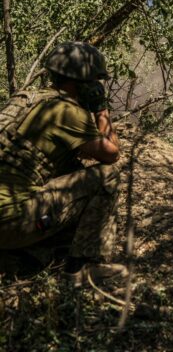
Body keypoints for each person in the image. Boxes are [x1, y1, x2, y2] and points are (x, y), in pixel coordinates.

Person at [0, 41, 126, 286]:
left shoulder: (24, 99)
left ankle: (28, 255)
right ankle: (82, 268)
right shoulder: (67, 112)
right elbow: (111, 154)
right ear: (83, 83)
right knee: (107, 176)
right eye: (95, 82)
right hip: (9, 221)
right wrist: (101, 110)